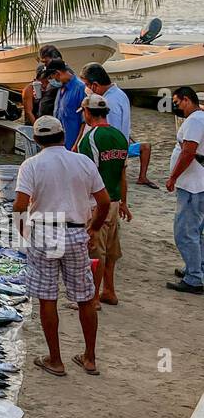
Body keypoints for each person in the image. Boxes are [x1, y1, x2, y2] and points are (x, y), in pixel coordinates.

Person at [12, 115, 110, 377]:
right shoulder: (83, 161)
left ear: (36, 139)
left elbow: (19, 205)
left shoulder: (31, 165)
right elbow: (104, 201)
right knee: (85, 297)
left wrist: (24, 233)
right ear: (63, 136)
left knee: (48, 297)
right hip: (75, 231)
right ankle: (89, 357)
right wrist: (94, 228)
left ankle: (55, 359)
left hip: (45, 231)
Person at [77, 93, 131, 306]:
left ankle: (92, 299)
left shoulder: (91, 138)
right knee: (110, 250)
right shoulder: (120, 136)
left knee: (94, 251)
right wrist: (124, 202)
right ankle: (109, 290)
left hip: (97, 203)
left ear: (88, 112)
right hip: (115, 200)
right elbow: (123, 174)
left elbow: (87, 175)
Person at [80, 62, 156, 187]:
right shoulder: (119, 94)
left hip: (110, 155)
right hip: (118, 150)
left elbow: (110, 134)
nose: (86, 88)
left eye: (87, 85)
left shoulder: (110, 101)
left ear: (95, 85)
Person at [166, 86, 204, 295]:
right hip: (197, 182)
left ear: (186, 100)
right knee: (196, 231)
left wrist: (173, 177)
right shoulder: (200, 119)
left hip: (192, 185)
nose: (176, 107)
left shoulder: (195, 121)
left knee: (185, 232)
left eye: (177, 102)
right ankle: (196, 268)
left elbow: (188, 151)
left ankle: (194, 278)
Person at [44, 60, 86, 151]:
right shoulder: (60, 89)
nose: (52, 82)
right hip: (59, 145)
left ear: (57, 73)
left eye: (52, 77)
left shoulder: (80, 88)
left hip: (73, 145)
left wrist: (77, 144)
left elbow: (85, 121)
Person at [36, 46, 63, 117]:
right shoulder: (48, 71)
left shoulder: (63, 75)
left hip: (54, 117)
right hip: (45, 116)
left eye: (46, 62)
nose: (45, 65)